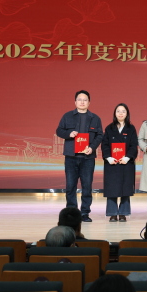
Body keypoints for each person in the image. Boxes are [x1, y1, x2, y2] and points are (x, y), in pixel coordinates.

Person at [56, 90, 103, 222]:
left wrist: (92, 148)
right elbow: (59, 130)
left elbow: (100, 135)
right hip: (71, 157)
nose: (82, 102)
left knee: (87, 186)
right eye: (79, 99)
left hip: (87, 158)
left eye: (85, 100)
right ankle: (71, 213)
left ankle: (84, 213)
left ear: (89, 102)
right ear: (75, 102)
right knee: (70, 186)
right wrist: (69, 134)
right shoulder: (67, 116)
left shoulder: (95, 118)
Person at [101, 103, 138, 222]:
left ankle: (123, 213)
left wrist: (127, 158)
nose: (120, 113)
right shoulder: (109, 128)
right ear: (115, 113)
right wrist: (109, 158)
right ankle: (112, 213)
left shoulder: (131, 128)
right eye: (118, 111)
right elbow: (104, 145)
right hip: (112, 163)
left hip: (126, 163)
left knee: (125, 188)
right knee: (111, 188)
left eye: (123, 111)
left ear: (127, 114)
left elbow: (134, 145)